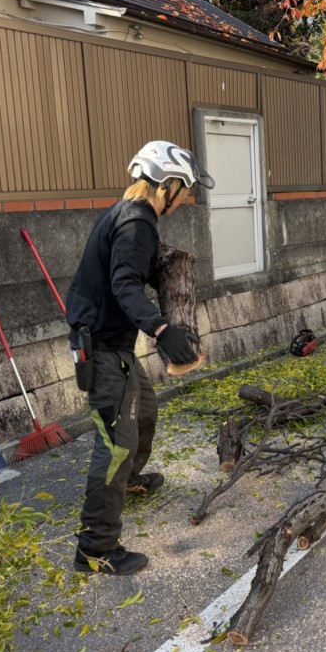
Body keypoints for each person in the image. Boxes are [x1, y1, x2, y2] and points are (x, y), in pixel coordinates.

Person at [65, 140, 215, 575]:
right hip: (103, 347)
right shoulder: (136, 222)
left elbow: (132, 268)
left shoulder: (131, 217)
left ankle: (128, 481)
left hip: (114, 344)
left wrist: (164, 269)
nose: (184, 198)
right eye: (183, 189)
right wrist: (162, 329)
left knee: (145, 409)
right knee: (115, 445)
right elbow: (124, 284)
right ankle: (95, 548)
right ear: (165, 184)